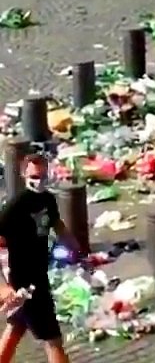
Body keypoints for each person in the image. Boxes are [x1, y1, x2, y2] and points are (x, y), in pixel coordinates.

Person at [0, 152, 85, 363]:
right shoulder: (15, 207)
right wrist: (3, 286)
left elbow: (58, 225)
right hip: (25, 282)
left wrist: (76, 249)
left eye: (43, 177)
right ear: (23, 175)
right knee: (53, 339)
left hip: (39, 274)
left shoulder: (47, 199)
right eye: (34, 177)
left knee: (15, 329)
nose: (39, 182)